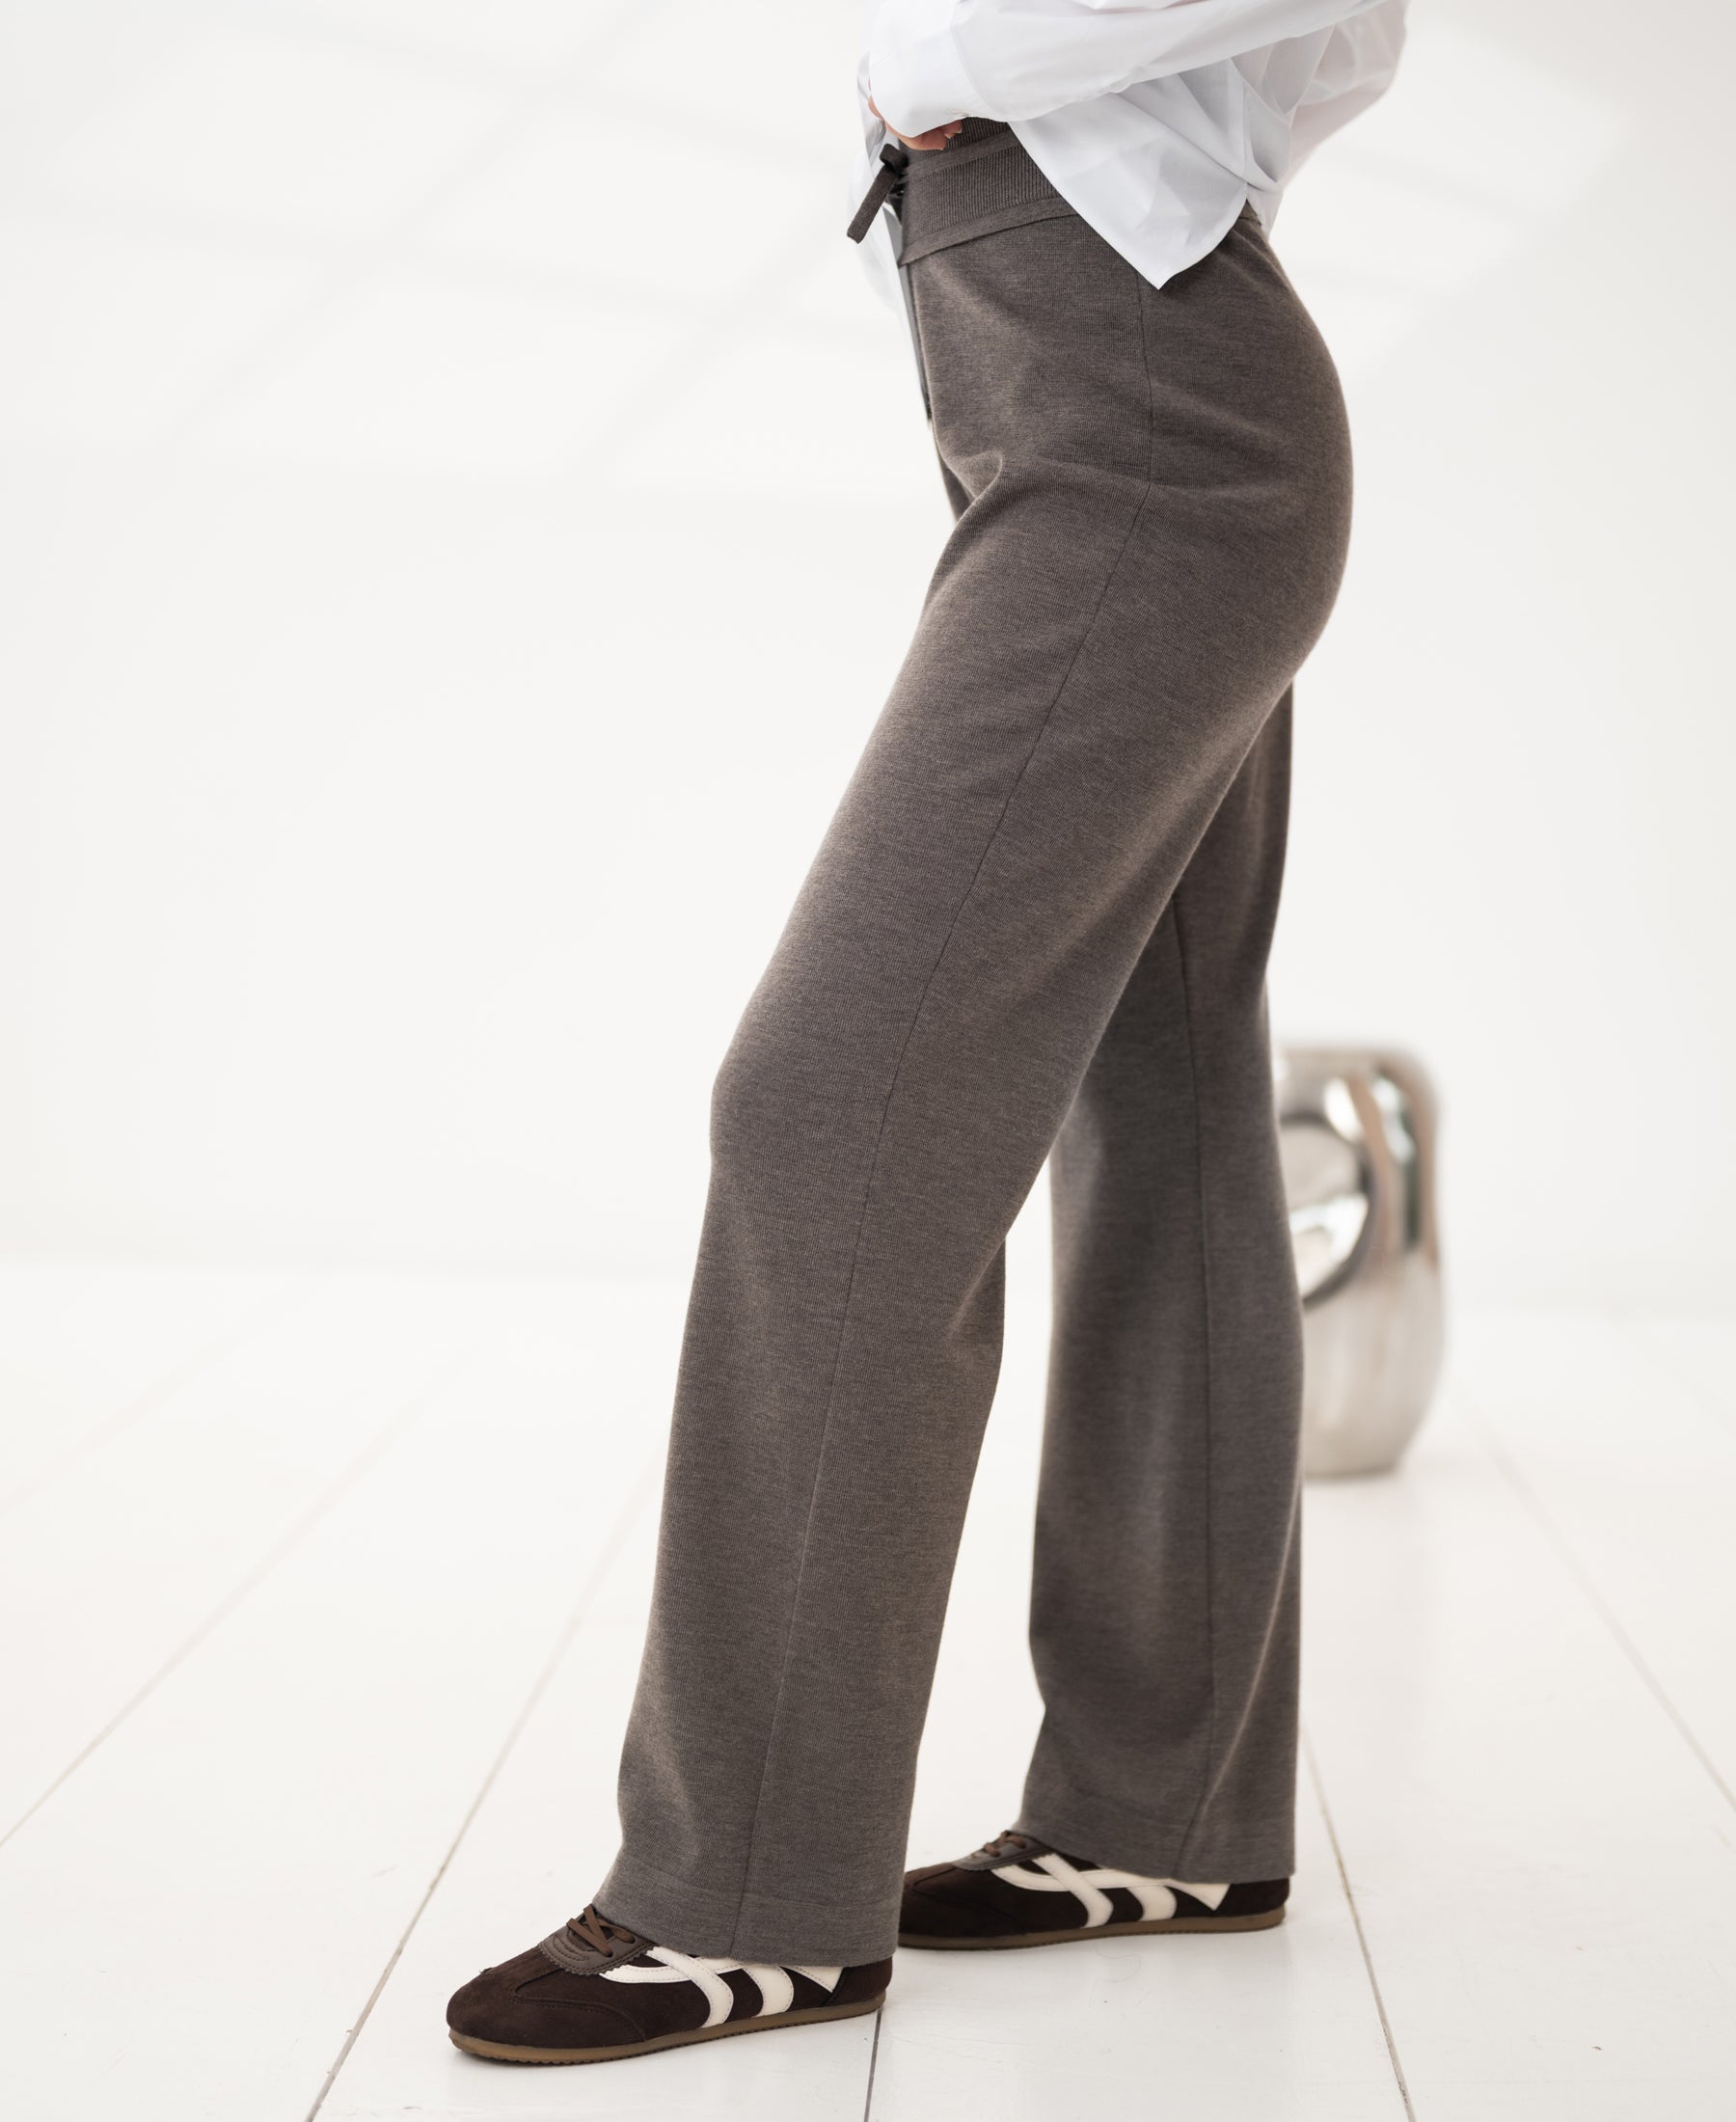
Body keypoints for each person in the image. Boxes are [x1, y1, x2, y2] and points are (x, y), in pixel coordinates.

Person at [448, 0, 1407, 2069]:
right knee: (1155, 1090)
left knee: (826, 1110)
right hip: (1131, 392)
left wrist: (928, 71)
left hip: (1150, 429)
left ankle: (746, 1892)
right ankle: (1170, 1813)